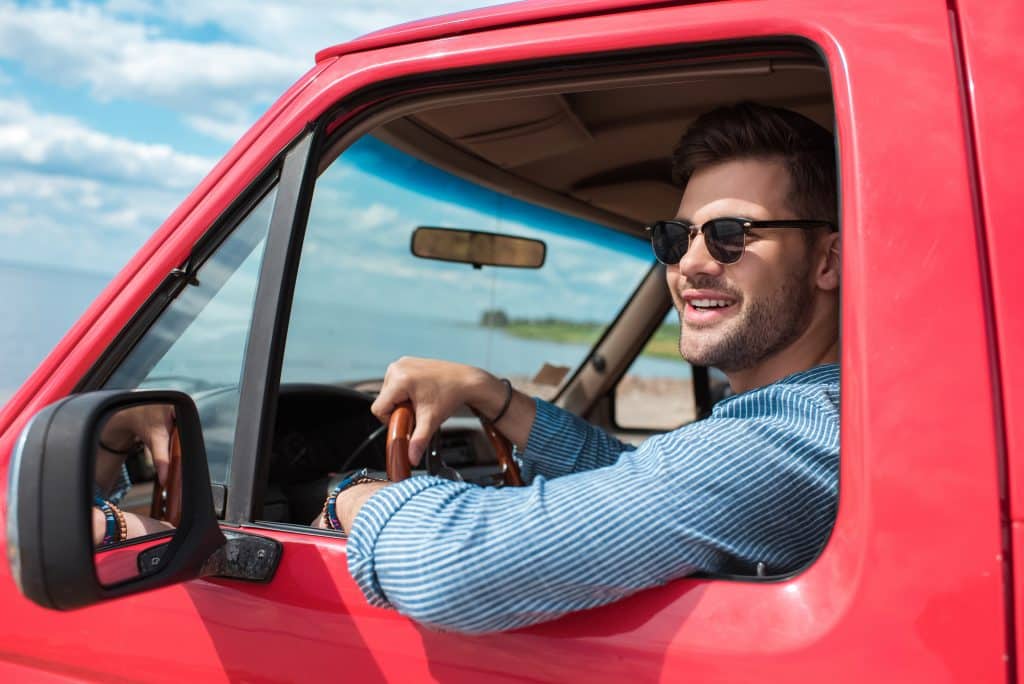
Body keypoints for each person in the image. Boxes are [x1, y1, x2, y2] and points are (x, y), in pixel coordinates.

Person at [318, 101, 841, 633]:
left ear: (827, 259)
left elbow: (454, 566)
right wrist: (495, 397)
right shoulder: (793, 427)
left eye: (733, 234)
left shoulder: (788, 438)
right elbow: (642, 481)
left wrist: (350, 496)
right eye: (676, 238)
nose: (690, 263)